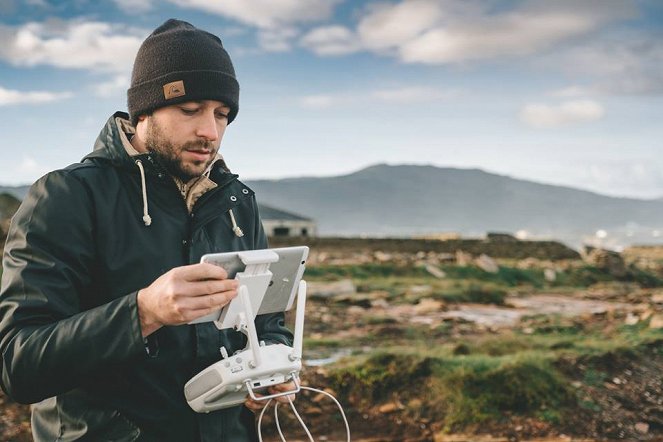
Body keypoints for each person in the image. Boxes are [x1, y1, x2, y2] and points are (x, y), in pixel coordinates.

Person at [0, 19, 295, 441]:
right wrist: (143, 312)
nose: (210, 132)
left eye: (222, 114)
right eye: (190, 110)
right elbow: (18, 365)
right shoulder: (66, 196)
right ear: (144, 112)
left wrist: (270, 364)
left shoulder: (236, 201)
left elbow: (265, 322)